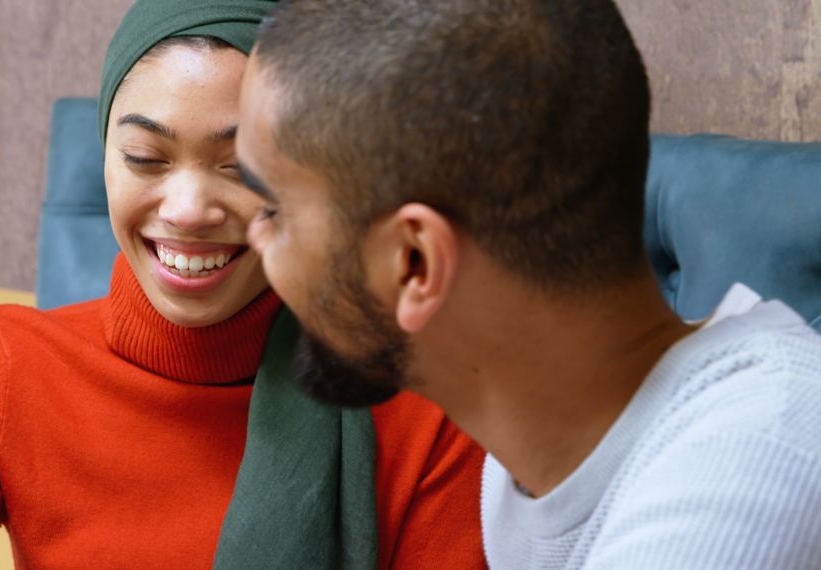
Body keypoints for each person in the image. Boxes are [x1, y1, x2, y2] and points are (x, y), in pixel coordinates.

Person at [0, 1, 489, 568]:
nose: (187, 210)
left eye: (241, 167)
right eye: (145, 159)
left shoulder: (420, 403)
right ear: (104, 155)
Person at [235, 0, 821, 568]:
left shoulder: (747, 478)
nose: (254, 239)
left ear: (414, 263)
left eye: (273, 211)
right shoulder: (532, 457)